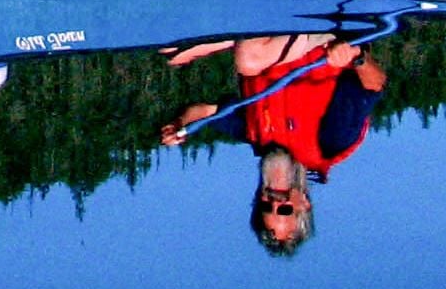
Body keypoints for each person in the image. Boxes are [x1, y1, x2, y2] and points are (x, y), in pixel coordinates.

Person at [157, 34, 387, 256]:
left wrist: (179, 125)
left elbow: (205, 112)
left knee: (171, 52)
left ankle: (232, 33)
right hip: (325, 35)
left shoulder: (256, 136)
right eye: (285, 209)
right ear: (304, 202)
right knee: (249, 60)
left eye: (266, 207)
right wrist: (357, 57)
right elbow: (374, 85)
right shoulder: (330, 142)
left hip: (271, 40)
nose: (275, 201)